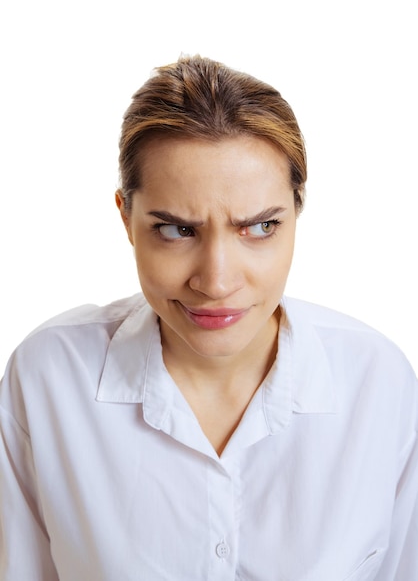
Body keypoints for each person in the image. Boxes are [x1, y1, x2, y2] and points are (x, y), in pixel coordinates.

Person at [0, 56, 417, 581]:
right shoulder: (49, 379)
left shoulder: (378, 384)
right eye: (176, 231)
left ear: (296, 212)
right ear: (126, 219)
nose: (216, 282)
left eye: (260, 227)